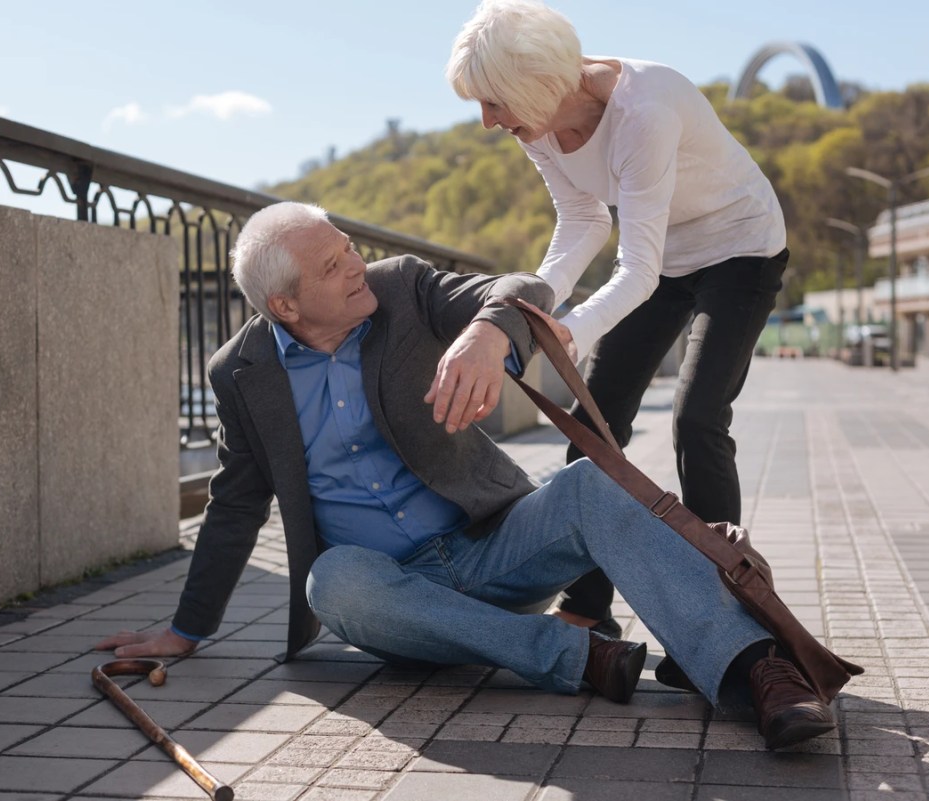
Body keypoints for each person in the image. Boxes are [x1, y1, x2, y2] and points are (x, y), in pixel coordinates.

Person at [96, 201, 835, 750]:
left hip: (495, 544)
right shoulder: (240, 373)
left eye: (347, 247)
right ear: (285, 304)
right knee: (332, 579)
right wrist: (189, 628)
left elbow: (523, 288)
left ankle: (755, 670)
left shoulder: (401, 287)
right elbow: (233, 501)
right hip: (392, 596)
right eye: (331, 267)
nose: (354, 266)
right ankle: (578, 657)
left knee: (586, 486)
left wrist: (487, 332)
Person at [446, 0, 790, 653]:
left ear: (536, 84)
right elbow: (584, 222)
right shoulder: (539, 124)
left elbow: (637, 268)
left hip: (740, 247)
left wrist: (571, 329)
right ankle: (587, 607)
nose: (489, 122)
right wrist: (537, 305)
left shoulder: (645, 108)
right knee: (595, 426)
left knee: (698, 420)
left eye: (494, 103)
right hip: (665, 258)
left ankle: (728, 616)